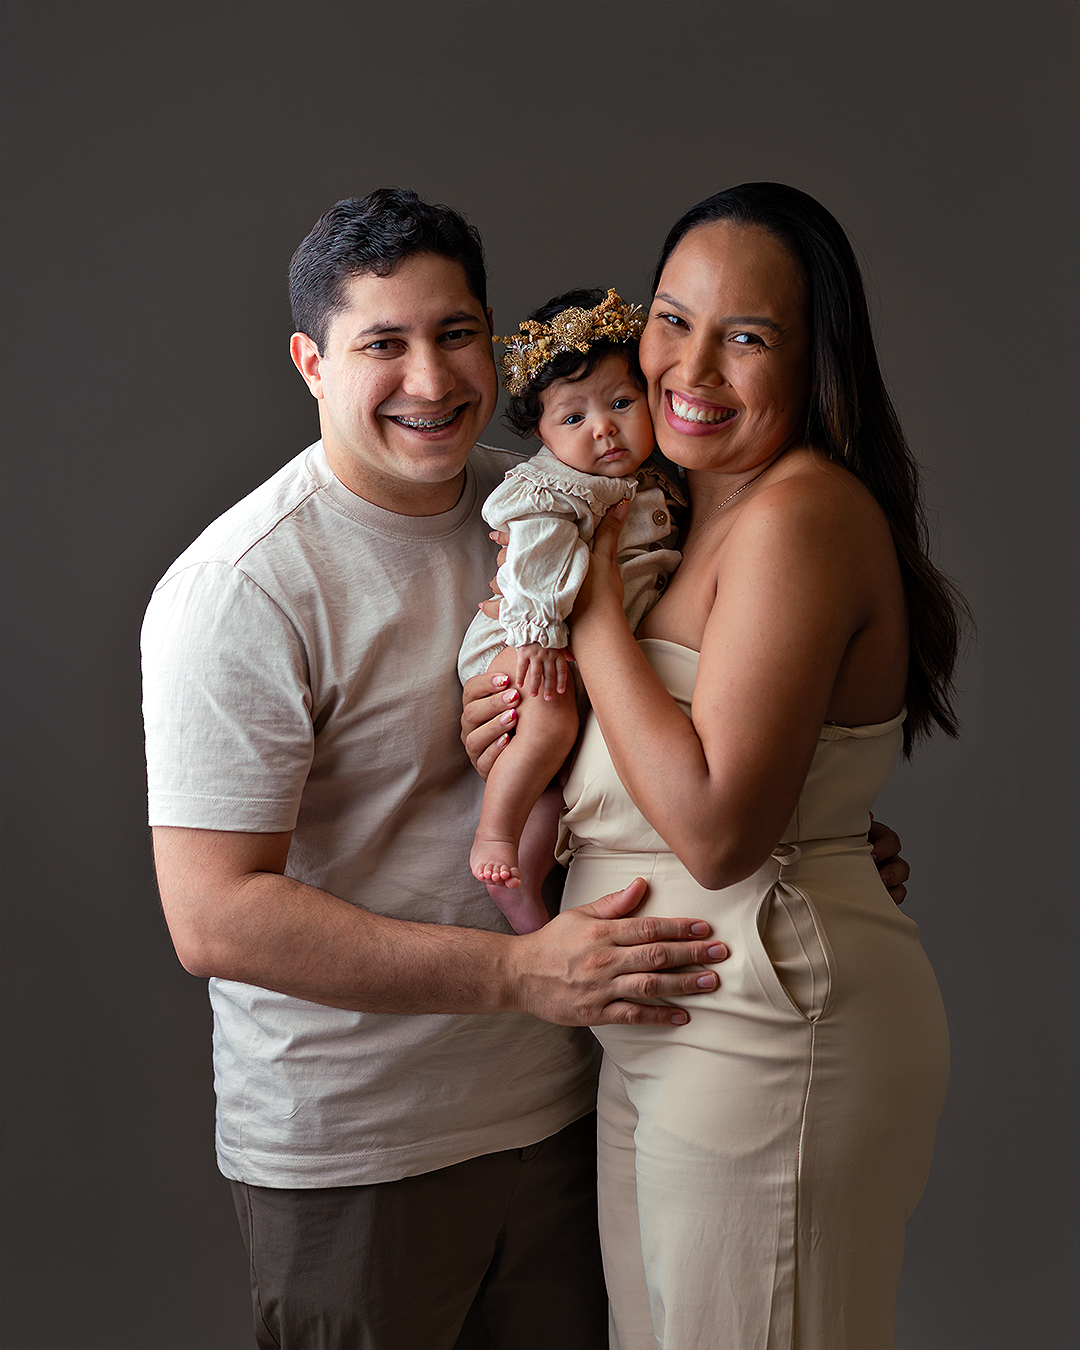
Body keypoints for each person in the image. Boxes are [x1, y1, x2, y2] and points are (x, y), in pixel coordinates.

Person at [141, 187, 738, 1350]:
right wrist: (522, 975)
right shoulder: (243, 587)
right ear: (312, 364)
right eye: (384, 343)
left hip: (568, 1109)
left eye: (456, 332)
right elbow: (212, 917)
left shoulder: (556, 497)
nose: (430, 378)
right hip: (361, 1153)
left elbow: (678, 718)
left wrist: (803, 839)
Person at [464, 183, 960, 1349]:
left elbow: (719, 829)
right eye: (673, 321)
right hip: (660, 1039)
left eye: (747, 337)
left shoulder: (800, 515)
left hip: (763, 1033)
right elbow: (671, 755)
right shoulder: (676, 512)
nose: (691, 369)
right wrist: (516, 723)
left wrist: (584, 598)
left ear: (815, 361)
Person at [458, 287, 683, 933]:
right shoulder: (554, 488)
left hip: (579, 646)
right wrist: (538, 637)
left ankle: (522, 890)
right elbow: (533, 561)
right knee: (551, 727)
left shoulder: (654, 481)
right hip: (527, 638)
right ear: (540, 432)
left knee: (558, 787)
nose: (603, 428)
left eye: (621, 404)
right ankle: (494, 835)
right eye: (574, 418)